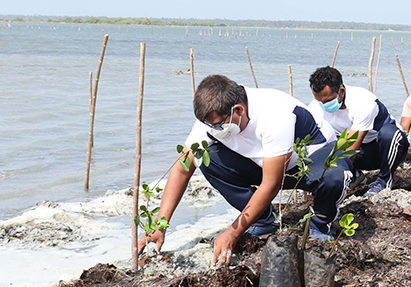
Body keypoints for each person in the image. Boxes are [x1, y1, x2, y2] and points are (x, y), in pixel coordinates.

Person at [137, 74, 352, 266]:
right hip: (264, 163)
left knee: (336, 177)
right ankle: (265, 220)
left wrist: (233, 232)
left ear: (238, 110)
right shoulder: (211, 119)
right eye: (210, 126)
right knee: (205, 157)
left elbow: (271, 184)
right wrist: (159, 225)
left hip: (308, 161)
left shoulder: (274, 113)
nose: (215, 131)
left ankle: (320, 223)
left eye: (219, 125)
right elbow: (182, 169)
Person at [309, 66, 409, 196]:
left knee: (389, 134)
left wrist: (334, 178)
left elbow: (351, 151)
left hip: (387, 149)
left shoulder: (363, 102)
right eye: (319, 101)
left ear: (342, 91)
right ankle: (355, 177)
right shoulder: (315, 107)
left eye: (328, 101)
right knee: (326, 146)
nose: (323, 105)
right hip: (362, 152)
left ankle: (384, 180)